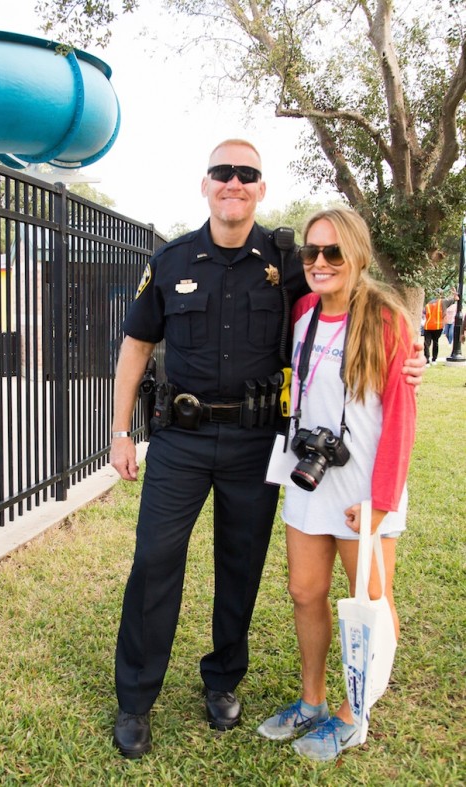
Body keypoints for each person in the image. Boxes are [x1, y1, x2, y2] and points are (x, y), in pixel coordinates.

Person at [109, 140, 425, 759]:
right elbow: (135, 347)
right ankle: (135, 700)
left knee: (242, 568)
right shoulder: (171, 260)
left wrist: (408, 354)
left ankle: (223, 681)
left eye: (246, 174)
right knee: (154, 562)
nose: (234, 182)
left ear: (260, 187)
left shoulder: (286, 261)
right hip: (179, 439)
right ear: (205, 185)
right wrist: (123, 432)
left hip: (258, 444)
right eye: (223, 173)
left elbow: (352, 302)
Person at [257, 207, 417, 761]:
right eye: (311, 252)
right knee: (305, 591)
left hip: (364, 486)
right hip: (310, 478)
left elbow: (400, 415)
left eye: (332, 252)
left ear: (357, 254)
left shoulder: (387, 320)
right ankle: (314, 701)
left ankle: (356, 713)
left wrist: (380, 501)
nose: (320, 263)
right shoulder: (302, 310)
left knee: (370, 597)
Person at [423, 294, 447, 364]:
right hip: (437, 326)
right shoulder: (442, 303)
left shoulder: (427, 305)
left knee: (427, 343)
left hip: (428, 326)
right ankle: (434, 359)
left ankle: (427, 360)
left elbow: (425, 313)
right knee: (435, 342)